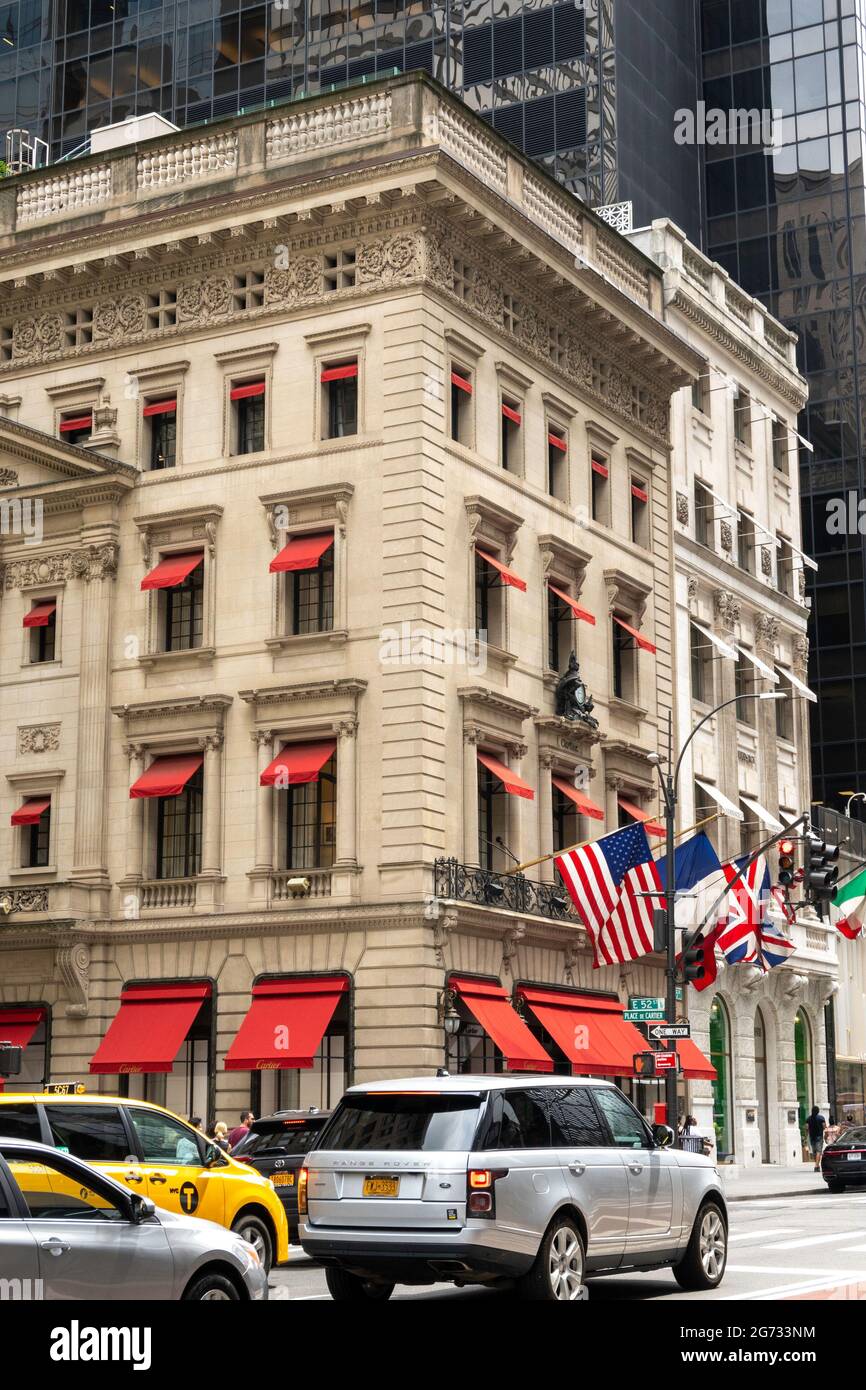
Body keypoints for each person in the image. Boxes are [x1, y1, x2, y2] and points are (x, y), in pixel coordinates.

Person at [807, 1104, 826, 1171]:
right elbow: (824, 1127)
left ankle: (817, 1165)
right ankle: (816, 1165)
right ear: (818, 1111)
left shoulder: (809, 1118)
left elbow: (807, 1128)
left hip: (812, 1137)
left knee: (815, 1152)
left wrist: (808, 1135)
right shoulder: (821, 1118)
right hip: (819, 1136)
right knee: (818, 1151)